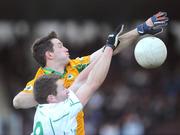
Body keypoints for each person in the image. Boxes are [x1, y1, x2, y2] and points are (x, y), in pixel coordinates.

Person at [13, 11, 168, 135]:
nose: (66, 48)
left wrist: (140, 30)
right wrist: (46, 95)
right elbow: (17, 102)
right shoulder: (43, 81)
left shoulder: (74, 65)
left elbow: (107, 50)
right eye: (60, 46)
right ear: (49, 55)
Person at [31, 29, 121, 134]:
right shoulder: (60, 112)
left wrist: (106, 49)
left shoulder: (43, 109)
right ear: (51, 97)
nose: (67, 90)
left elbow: (79, 81)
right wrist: (109, 49)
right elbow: (92, 84)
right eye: (63, 89)